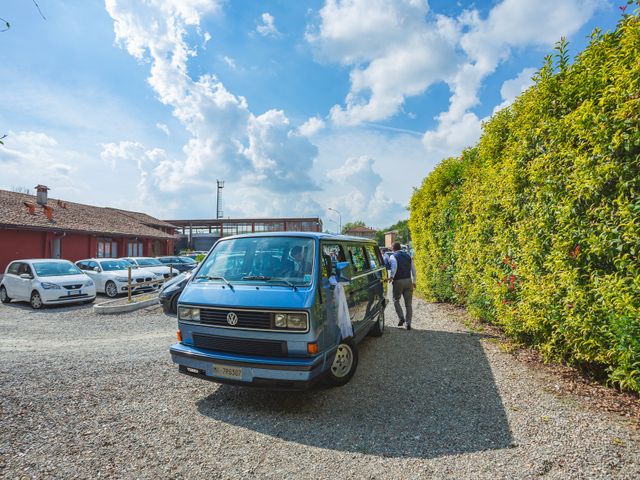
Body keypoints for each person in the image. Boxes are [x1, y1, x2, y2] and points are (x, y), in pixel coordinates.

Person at [388, 241, 416, 330]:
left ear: (393, 248)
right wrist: (414, 281)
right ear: (400, 247)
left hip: (398, 281)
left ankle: (401, 318)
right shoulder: (408, 256)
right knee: (408, 304)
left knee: (396, 300)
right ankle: (408, 323)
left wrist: (391, 276)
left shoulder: (393, 256)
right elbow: (413, 269)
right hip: (408, 280)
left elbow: (394, 266)